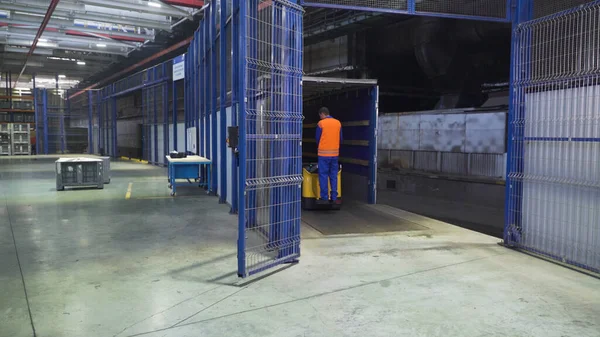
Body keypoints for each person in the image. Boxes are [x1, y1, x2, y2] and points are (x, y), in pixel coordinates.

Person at [315, 107, 342, 204]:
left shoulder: (321, 123)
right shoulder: (338, 123)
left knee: (323, 175)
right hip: (335, 154)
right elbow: (340, 138)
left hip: (323, 154)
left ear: (322, 114)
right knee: (333, 175)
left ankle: (324, 198)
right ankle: (334, 197)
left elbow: (317, 139)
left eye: (320, 115)